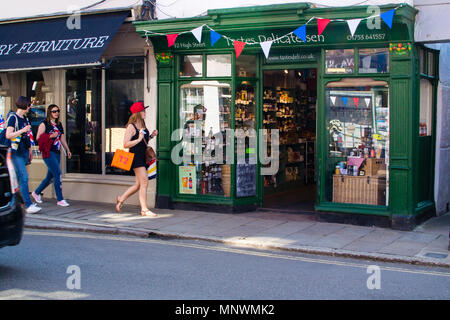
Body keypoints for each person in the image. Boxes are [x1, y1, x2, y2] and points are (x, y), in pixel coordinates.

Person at [115, 102, 158, 216]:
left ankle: (121, 199)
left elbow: (143, 142)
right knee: (144, 181)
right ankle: (144, 209)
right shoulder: (131, 126)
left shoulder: (142, 124)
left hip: (143, 156)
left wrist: (151, 136)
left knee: (139, 185)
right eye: (143, 111)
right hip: (135, 157)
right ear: (138, 113)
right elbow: (125, 144)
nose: (145, 112)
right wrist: (138, 139)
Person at [6, 96, 41, 214]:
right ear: (24, 105)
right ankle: (28, 204)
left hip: (24, 151)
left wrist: (30, 150)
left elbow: (27, 137)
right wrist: (23, 130)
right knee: (24, 177)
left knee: (16, 179)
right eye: (29, 105)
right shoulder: (13, 117)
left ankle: (13, 203)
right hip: (15, 152)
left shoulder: (25, 118)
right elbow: (8, 135)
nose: (30, 107)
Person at [31, 104, 71, 207]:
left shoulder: (59, 124)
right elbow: (38, 138)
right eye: (54, 111)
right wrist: (50, 136)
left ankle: (36, 192)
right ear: (49, 113)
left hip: (57, 152)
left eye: (57, 111)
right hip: (48, 152)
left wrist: (67, 149)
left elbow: (62, 139)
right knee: (58, 173)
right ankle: (60, 199)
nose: (56, 113)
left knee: (50, 177)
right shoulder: (44, 124)